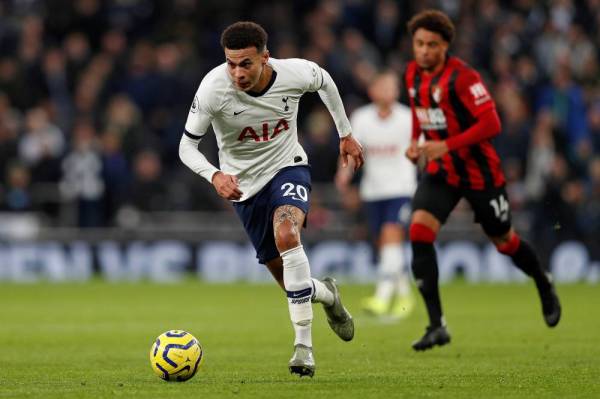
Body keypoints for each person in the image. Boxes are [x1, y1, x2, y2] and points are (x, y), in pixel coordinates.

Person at [178, 21, 364, 377]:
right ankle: (327, 294)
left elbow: (324, 80)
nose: (237, 72)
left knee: (287, 234)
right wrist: (214, 174)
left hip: (287, 168)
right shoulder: (213, 89)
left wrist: (346, 134)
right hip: (244, 189)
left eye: (245, 63)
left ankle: (303, 350)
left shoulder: (293, 73)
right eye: (231, 63)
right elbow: (186, 146)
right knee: (293, 285)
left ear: (266, 58)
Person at [403, 10, 561, 351]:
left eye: (432, 44)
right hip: (442, 173)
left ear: (445, 46)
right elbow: (421, 116)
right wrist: (417, 145)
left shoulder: (463, 77)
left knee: (504, 241)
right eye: (419, 44)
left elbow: (492, 124)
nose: (425, 51)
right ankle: (436, 324)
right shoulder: (413, 74)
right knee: (418, 231)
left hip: (479, 174)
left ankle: (542, 281)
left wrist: (446, 144)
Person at [335, 71, 416, 319]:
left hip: (402, 188)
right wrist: (345, 175)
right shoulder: (362, 118)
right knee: (385, 246)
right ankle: (404, 294)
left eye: (392, 87)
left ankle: (382, 297)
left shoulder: (408, 118)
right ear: (373, 91)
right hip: (373, 190)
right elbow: (352, 150)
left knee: (391, 235)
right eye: (383, 86)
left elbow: (420, 148)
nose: (388, 91)